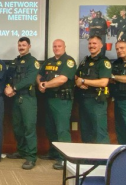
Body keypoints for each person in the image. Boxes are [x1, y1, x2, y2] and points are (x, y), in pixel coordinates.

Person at [37, 39, 76, 170]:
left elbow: (62, 79)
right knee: (50, 128)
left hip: (62, 100)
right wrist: (40, 83)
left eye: (59, 46)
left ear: (64, 47)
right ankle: (54, 153)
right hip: (48, 98)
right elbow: (39, 75)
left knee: (62, 130)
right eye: (54, 46)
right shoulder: (48, 61)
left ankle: (65, 159)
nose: (56, 48)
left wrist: (45, 84)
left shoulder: (68, 61)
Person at [4, 37, 39, 170]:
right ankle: (22, 151)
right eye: (19, 45)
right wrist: (8, 87)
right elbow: (9, 77)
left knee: (29, 127)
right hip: (15, 98)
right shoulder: (14, 61)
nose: (21, 47)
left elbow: (29, 79)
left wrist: (14, 88)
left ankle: (31, 157)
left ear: (29, 46)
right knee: (17, 127)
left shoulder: (33, 62)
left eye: (24, 45)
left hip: (27, 99)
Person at [75, 35, 111, 144]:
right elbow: (76, 77)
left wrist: (83, 81)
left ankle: (103, 160)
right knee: (86, 132)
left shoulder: (103, 62)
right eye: (90, 43)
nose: (92, 46)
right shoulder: (84, 61)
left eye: (94, 43)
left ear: (101, 45)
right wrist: (78, 82)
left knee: (100, 132)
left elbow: (104, 82)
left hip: (97, 101)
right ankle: (87, 160)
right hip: (83, 99)